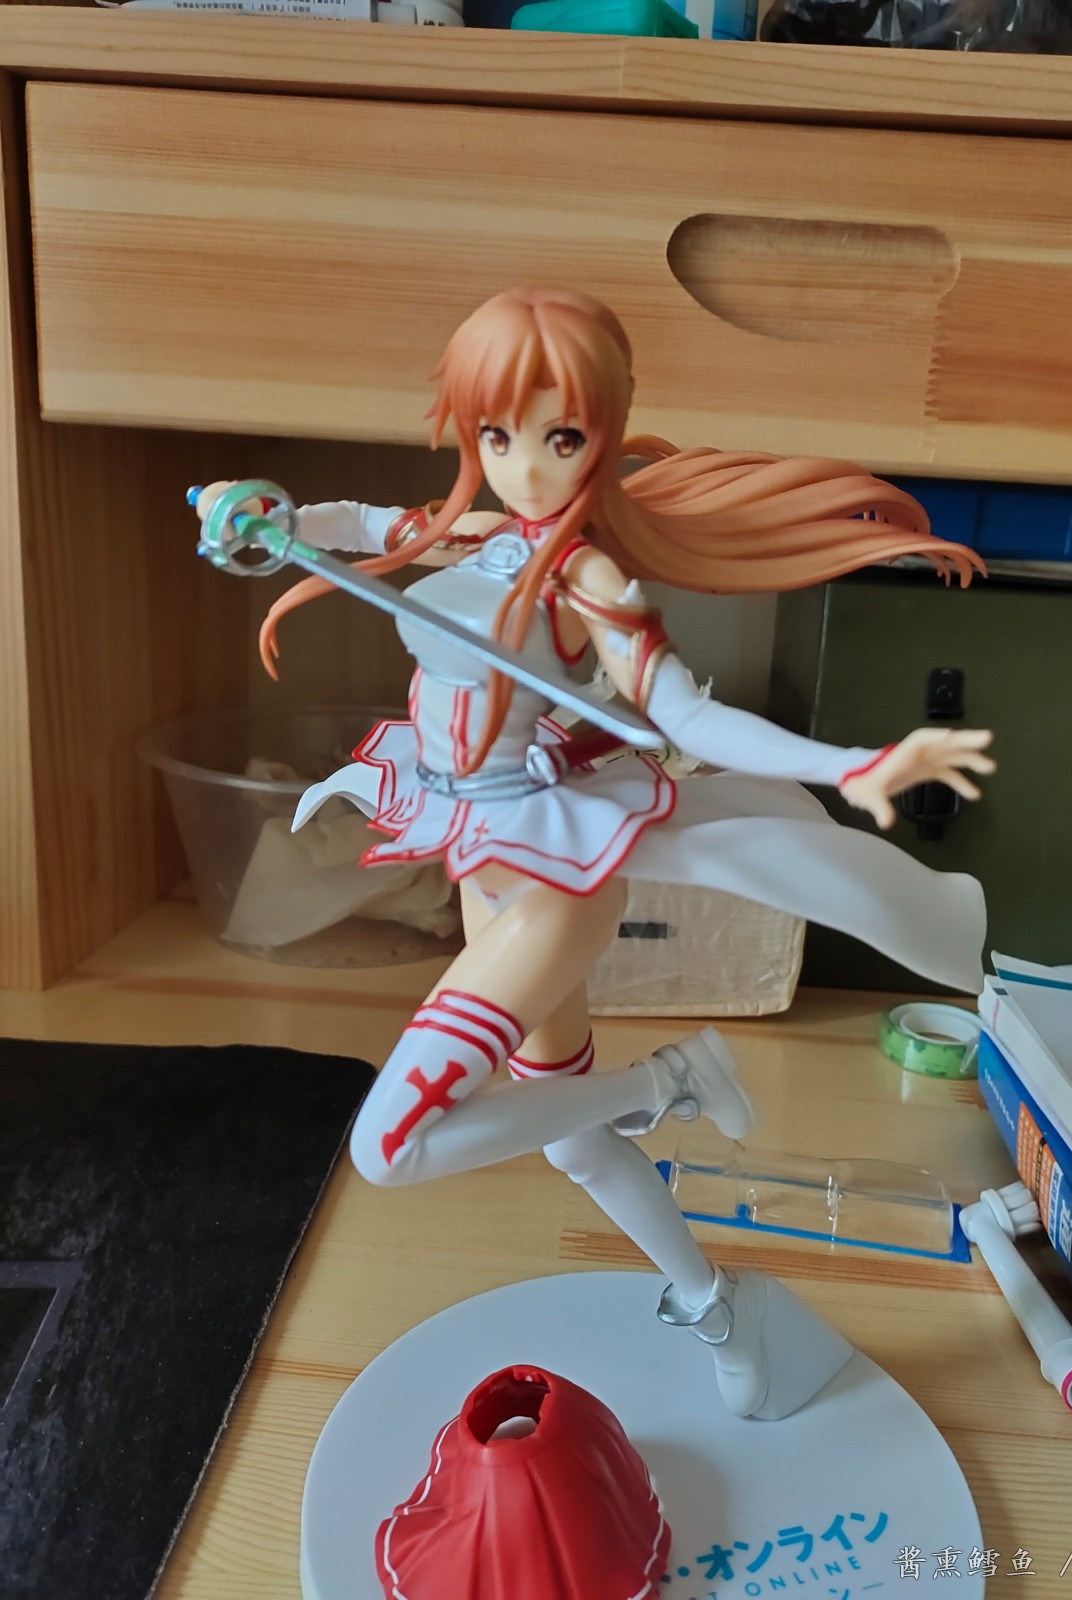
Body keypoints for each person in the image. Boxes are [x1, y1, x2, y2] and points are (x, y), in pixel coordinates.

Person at [193, 286, 995, 1421]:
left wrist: (846, 763)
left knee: (390, 1148)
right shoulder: (478, 534)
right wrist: (259, 513)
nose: (524, 467)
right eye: (497, 436)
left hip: (548, 881)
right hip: (484, 857)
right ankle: (714, 1303)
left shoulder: (591, 582)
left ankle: (667, 1081)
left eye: (559, 438)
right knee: (572, 1142)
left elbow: (692, 717)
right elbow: (355, 527)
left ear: (602, 435)